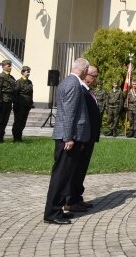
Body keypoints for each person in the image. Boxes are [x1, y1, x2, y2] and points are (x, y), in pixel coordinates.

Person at [43, 57, 91, 224]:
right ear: (84, 70)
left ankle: (57, 209)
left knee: (64, 176)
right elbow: (69, 113)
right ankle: (52, 213)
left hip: (68, 136)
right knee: (61, 176)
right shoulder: (73, 84)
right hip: (68, 138)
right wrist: (69, 137)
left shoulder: (68, 81)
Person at [65, 64, 101, 213]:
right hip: (83, 138)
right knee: (76, 169)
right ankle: (70, 200)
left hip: (89, 137)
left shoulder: (88, 91)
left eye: (96, 76)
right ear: (86, 75)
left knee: (82, 169)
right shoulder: (80, 91)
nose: (95, 79)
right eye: (93, 76)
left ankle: (77, 197)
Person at [0, 60, 16, 143]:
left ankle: (1, 137)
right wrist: (0, 100)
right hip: (1, 102)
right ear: (3, 66)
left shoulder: (11, 78)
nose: (10, 67)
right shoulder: (0, 77)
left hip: (8, 102)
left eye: (10, 66)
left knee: (5, 120)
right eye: (8, 66)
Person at [12, 66, 34, 142]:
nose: (28, 73)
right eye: (27, 72)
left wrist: (31, 103)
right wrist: (16, 104)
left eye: (29, 71)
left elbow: (31, 93)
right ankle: (16, 137)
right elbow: (15, 94)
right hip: (19, 105)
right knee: (18, 121)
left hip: (27, 105)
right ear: (22, 72)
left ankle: (19, 136)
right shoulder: (19, 82)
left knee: (23, 122)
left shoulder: (29, 82)